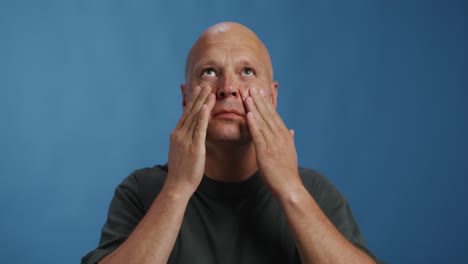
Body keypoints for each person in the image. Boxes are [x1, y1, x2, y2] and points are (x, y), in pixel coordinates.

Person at [82, 22, 381, 264]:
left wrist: (291, 190)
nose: (228, 89)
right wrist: (177, 189)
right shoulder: (140, 191)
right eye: (210, 72)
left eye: (247, 72)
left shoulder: (313, 192)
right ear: (186, 98)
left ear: (273, 97)